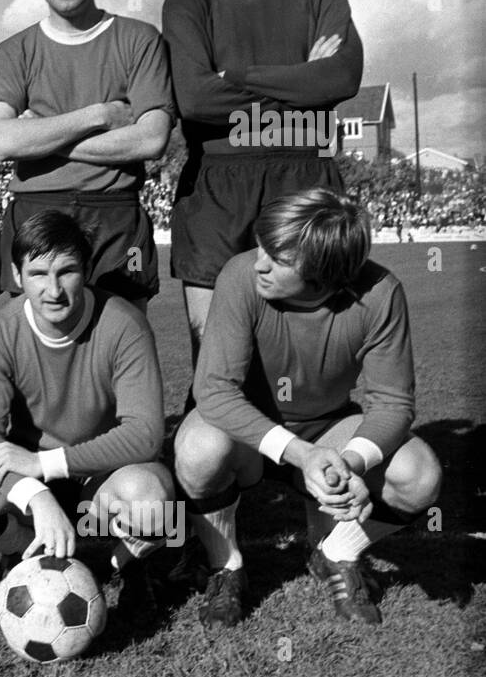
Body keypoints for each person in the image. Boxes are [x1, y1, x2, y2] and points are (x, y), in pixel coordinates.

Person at [175, 188, 441, 627]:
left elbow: (392, 402)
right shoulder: (241, 275)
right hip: (247, 431)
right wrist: (302, 454)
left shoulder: (381, 294)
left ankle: (337, 552)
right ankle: (227, 567)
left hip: (327, 429)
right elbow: (216, 392)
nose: (259, 261)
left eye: (277, 259)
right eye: (261, 246)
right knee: (198, 449)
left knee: (420, 475)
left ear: (323, 273)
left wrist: (351, 462)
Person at [163, 0, 364, 364]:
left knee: (310, 357)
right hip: (217, 185)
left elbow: (340, 79)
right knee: (216, 361)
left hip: (307, 176)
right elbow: (195, 100)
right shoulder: (189, 1)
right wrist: (301, 78)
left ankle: (309, 442)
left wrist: (232, 77)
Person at [0, 210, 172, 619]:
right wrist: (36, 495)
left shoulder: (124, 326)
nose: (54, 290)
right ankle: (31, 545)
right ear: (16, 275)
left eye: (67, 271)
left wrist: (45, 463)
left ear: (87, 270)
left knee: (153, 505)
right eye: (39, 274)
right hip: (30, 472)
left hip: (104, 473)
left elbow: (146, 435)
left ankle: (126, 563)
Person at [0, 0, 174, 313]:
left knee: (125, 344)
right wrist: (99, 116)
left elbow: (152, 138)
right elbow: (1, 140)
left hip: (114, 214)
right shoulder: (13, 52)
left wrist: (39, 139)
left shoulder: (139, 40)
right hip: (36, 211)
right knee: (38, 356)